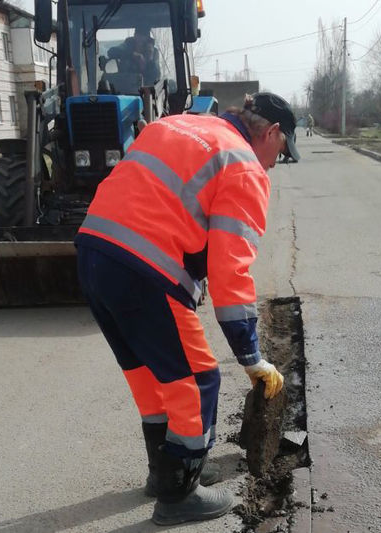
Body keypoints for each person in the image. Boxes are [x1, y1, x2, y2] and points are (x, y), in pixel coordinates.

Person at [74, 92, 300, 525]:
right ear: (270, 133)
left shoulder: (176, 124)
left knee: (152, 377)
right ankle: (178, 495)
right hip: (145, 269)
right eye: (282, 150)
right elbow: (231, 272)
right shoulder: (244, 165)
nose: (277, 161)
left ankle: (165, 472)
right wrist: (251, 357)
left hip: (93, 255)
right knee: (197, 380)